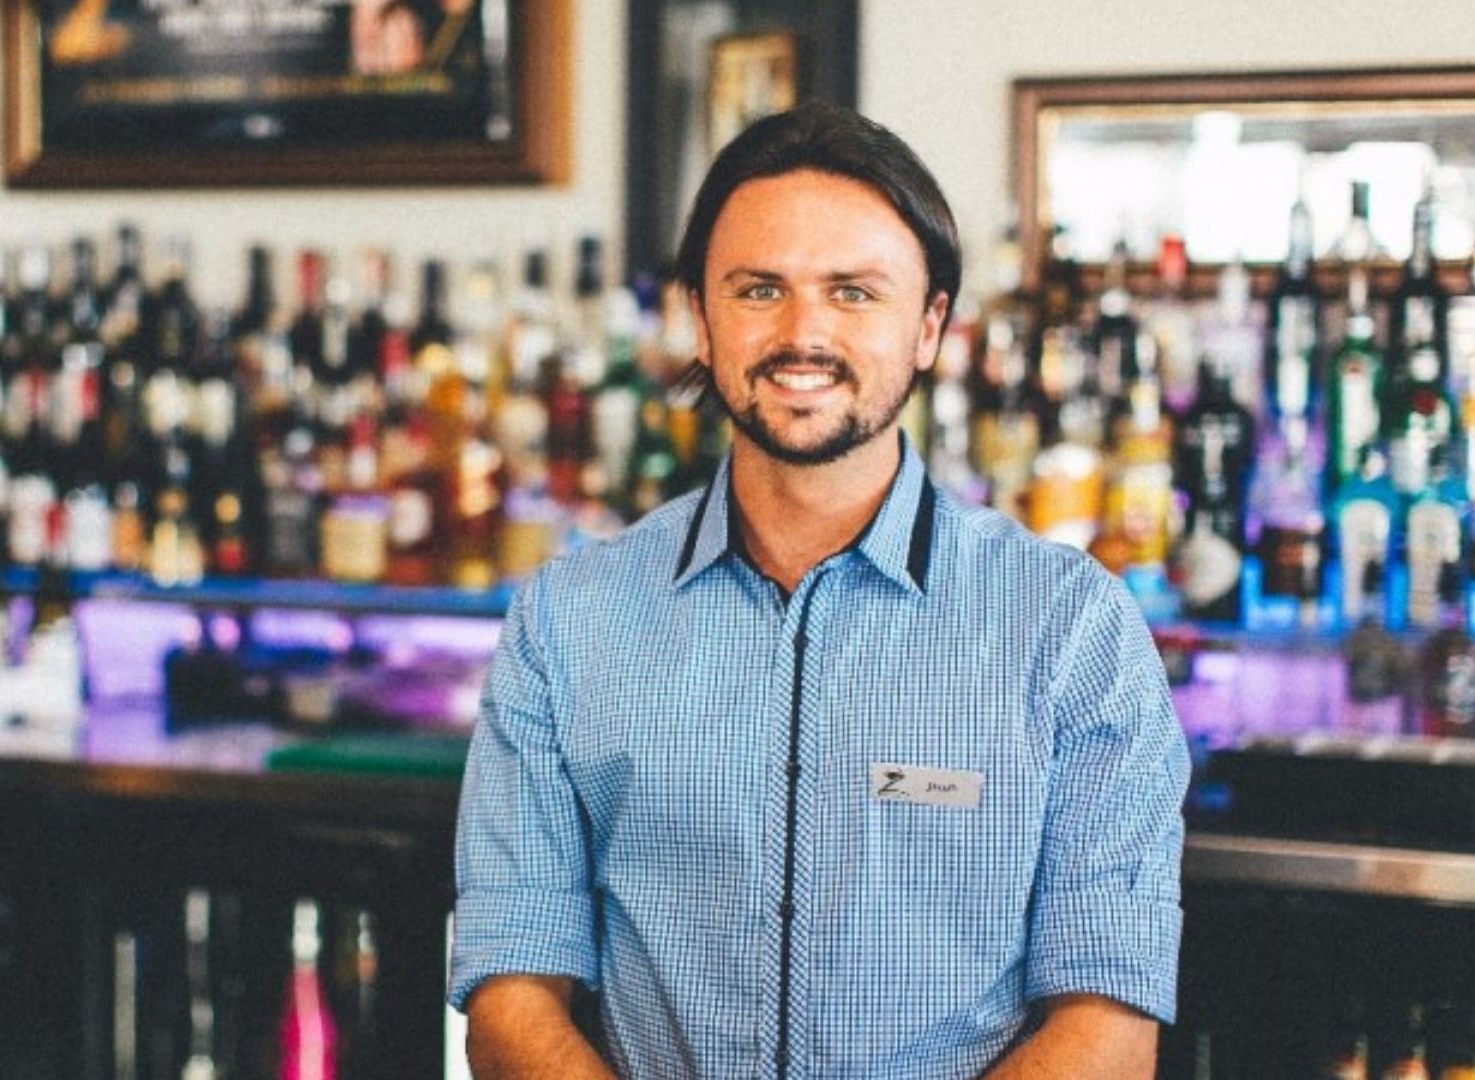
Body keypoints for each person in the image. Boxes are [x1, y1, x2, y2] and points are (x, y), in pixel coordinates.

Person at [448, 101, 1189, 1079]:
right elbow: (511, 994)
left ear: (929, 327)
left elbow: (1108, 1027)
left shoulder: (1068, 628)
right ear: (698, 320)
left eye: (853, 293)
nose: (804, 334)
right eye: (759, 290)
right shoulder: (566, 618)